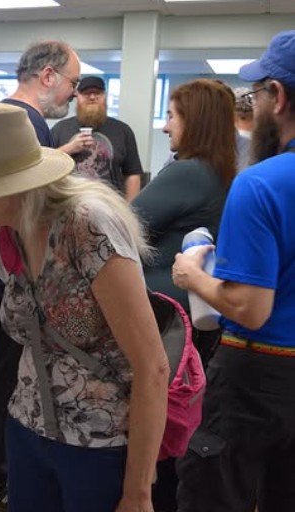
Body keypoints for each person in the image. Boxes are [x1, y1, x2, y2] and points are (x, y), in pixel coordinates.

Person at [0, 103, 169, 512]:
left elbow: (152, 366)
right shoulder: (8, 233)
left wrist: (138, 491)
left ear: (4, 183)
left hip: (99, 443)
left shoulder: (88, 225)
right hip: (28, 431)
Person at [171, 30, 295, 512]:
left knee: (215, 493)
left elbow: (250, 306)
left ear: (278, 97)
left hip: (257, 374)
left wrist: (192, 275)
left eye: (257, 94)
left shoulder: (261, 184)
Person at [0, 40, 81, 512]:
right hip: (3, 276)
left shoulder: (11, 120)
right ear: (47, 76)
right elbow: (10, 218)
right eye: (71, 83)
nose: (72, 94)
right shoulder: (26, 125)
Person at [133, 79, 237, 512]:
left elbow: (123, 223)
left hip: (165, 323)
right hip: (189, 324)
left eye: (171, 116)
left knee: (154, 424)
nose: (164, 127)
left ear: (193, 121)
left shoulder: (189, 171)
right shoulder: (220, 172)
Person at [51, 76, 144, 200]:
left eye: (97, 93)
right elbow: (46, 164)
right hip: (69, 207)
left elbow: (132, 174)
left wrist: (129, 210)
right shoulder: (60, 129)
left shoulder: (123, 131)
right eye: (86, 93)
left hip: (111, 208)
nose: (92, 97)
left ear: (105, 96)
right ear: (77, 96)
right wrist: (70, 148)